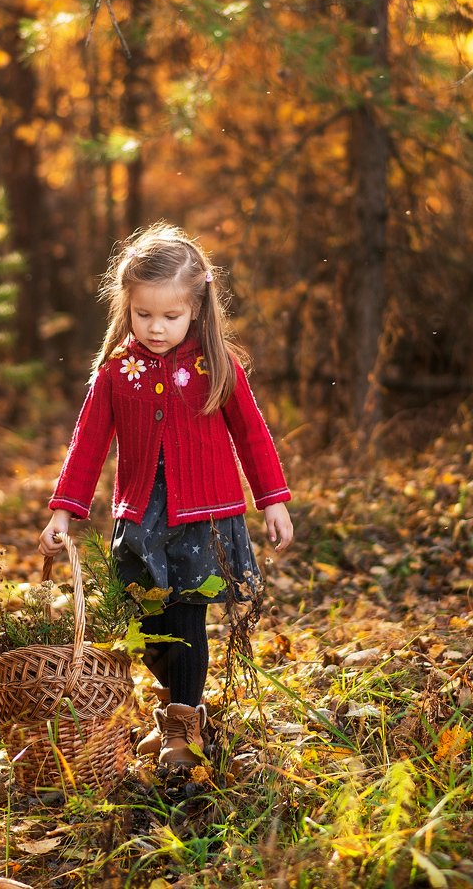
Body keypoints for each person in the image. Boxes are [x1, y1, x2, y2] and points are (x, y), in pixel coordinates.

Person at [39, 223, 294, 768]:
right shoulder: (116, 371)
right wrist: (64, 511)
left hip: (204, 516)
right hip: (142, 515)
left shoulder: (216, 364)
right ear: (125, 307)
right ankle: (188, 706)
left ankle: (182, 727)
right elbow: (88, 444)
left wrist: (272, 498)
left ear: (197, 309)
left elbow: (251, 432)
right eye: (143, 314)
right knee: (144, 621)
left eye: (170, 316)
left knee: (187, 619)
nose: (156, 328)